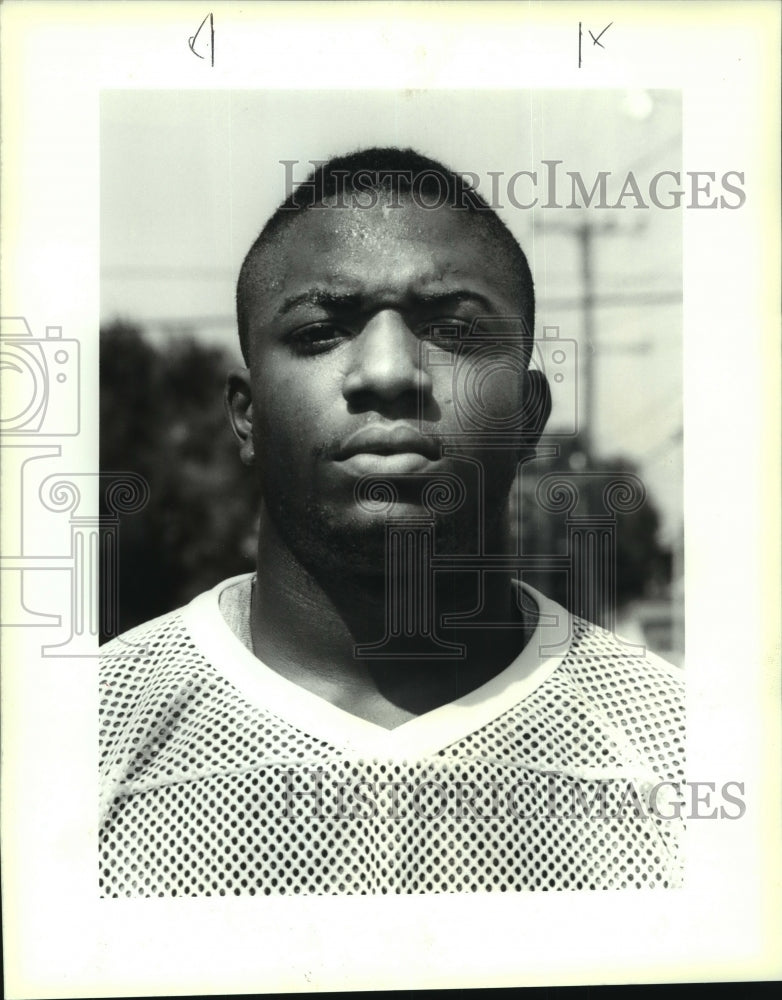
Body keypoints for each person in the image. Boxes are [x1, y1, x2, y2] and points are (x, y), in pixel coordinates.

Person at [99, 147, 685, 896]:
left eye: (452, 333)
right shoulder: (75, 742)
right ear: (246, 418)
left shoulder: (682, 751)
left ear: (529, 416)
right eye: (318, 333)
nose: (387, 373)